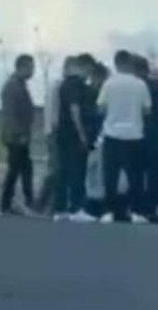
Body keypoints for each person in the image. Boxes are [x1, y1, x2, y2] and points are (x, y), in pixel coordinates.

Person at [96, 50, 151, 223]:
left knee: (110, 176)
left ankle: (109, 212)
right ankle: (136, 212)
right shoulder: (140, 84)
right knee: (135, 177)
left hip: (112, 135)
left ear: (116, 64)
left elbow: (100, 108)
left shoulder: (109, 84)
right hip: (134, 135)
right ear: (130, 64)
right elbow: (147, 110)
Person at [53, 54, 96, 222]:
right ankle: (76, 208)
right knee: (77, 172)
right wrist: (82, 134)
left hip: (63, 134)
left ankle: (60, 208)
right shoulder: (77, 85)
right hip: (74, 135)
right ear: (85, 66)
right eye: (90, 70)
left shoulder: (64, 84)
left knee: (63, 172)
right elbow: (75, 109)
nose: (89, 75)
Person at [132, 55, 158, 220]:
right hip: (155, 136)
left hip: (136, 135)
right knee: (154, 176)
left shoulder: (135, 86)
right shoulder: (156, 86)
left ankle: (137, 207)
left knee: (135, 173)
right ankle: (151, 208)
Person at [0, 54, 36, 216]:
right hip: (15, 137)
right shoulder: (12, 87)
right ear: (21, 67)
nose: (32, 71)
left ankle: (18, 202)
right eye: (30, 67)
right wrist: (19, 134)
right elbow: (10, 114)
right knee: (16, 171)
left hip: (21, 135)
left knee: (24, 169)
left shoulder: (20, 85)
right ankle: (7, 203)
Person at [34, 58, 71, 214]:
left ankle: (46, 203)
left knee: (56, 169)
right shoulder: (60, 86)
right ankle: (44, 203)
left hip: (50, 130)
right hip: (55, 132)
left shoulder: (54, 85)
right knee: (57, 170)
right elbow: (55, 111)